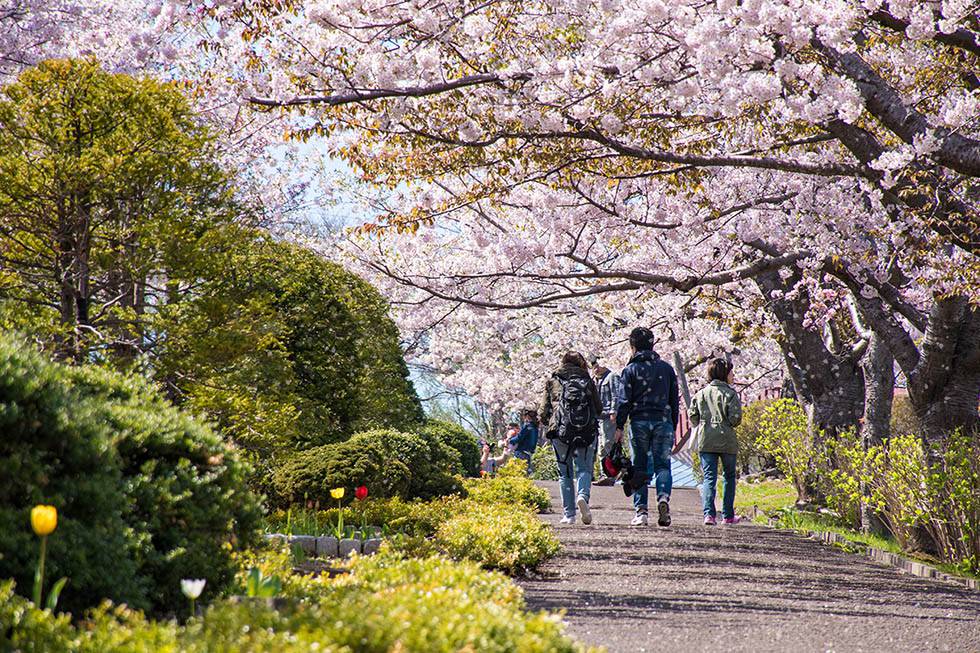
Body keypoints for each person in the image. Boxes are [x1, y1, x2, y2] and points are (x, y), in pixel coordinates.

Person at [614, 327, 680, 527]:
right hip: (663, 421)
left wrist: (619, 426)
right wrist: (673, 426)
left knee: (640, 467)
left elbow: (623, 401)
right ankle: (662, 498)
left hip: (639, 421)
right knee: (662, 465)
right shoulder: (667, 369)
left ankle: (641, 512)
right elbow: (674, 401)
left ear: (632, 346)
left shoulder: (630, 370)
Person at [541, 351, 602, 525]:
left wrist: (551, 423)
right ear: (581, 364)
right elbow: (598, 409)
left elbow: (543, 411)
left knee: (565, 473)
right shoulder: (588, 381)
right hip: (585, 430)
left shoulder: (553, 381)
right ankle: (582, 496)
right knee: (584, 469)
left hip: (561, 431)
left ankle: (569, 515)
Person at [689, 358, 743, 525]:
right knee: (729, 477)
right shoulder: (731, 394)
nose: (733, 376)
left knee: (709, 478)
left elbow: (693, 416)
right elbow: (735, 419)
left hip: (707, 440)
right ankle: (727, 515)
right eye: (731, 373)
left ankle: (709, 515)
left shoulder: (701, 394)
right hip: (726, 440)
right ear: (724, 374)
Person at [591, 358, 623, 486]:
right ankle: (605, 473)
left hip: (609, 416)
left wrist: (614, 411)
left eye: (598, 365)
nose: (596, 368)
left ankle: (610, 474)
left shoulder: (612, 376)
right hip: (598, 417)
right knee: (601, 447)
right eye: (593, 366)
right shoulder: (595, 380)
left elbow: (616, 395)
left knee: (607, 445)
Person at [510, 410, 539, 474]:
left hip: (521, 451)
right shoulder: (535, 427)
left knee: (518, 472)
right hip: (529, 453)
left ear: (527, 416)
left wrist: (510, 440)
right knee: (526, 472)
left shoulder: (527, 426)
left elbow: (519, 437)